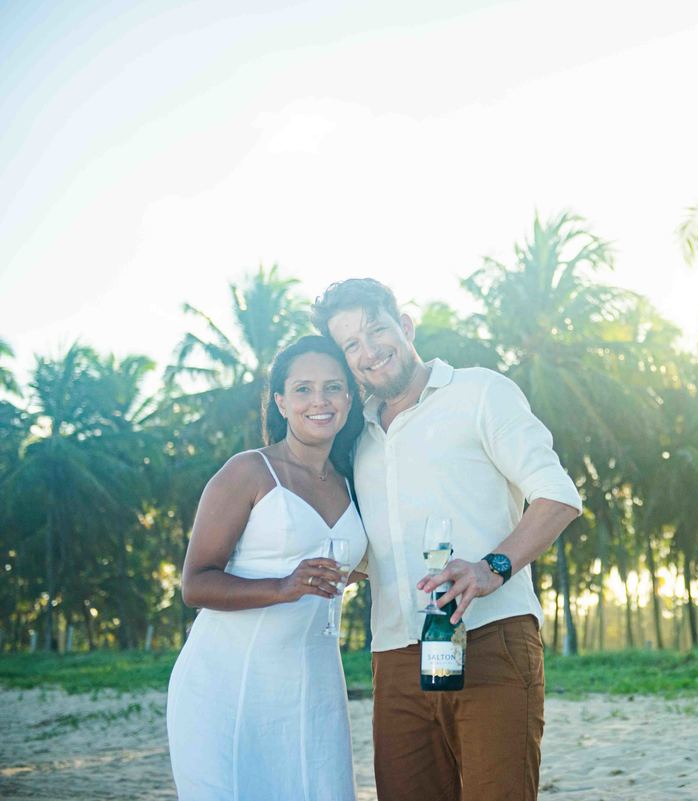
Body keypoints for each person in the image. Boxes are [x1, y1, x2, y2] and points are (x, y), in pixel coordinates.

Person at [313, 278, 582, 801]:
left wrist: (490, 569)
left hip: (491, 638)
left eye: (377, 330)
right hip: (393, 658)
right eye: (351, 345)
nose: (369, 352)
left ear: (405, 326)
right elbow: (382, 547)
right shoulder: (357, 436)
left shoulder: (480, 391)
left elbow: (557, 496)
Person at [167, 335, 368, 801]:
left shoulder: (352, 480)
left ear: (350, 397)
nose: (319, 400)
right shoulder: (250, 471)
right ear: (280, 401)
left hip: (314, 688)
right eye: (303, 389)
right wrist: (283, 586)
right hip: (228, 686)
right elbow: (195, 584)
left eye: (333, 387)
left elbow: (353, 562)